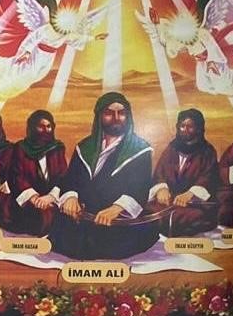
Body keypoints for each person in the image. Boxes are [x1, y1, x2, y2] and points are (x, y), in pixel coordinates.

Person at [49, 92, 155, 260]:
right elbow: (71, 179)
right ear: (99, 116)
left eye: (121, 113)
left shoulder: (140, 149)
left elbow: (139, 188)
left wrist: (116, 208)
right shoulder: (85, 146)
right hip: (83, 217)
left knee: (112, 243)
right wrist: (71, 197)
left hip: (117, 221)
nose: (116, 118)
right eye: (109, 113)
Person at [148, 107, 220, 236]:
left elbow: (208, 178)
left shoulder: (207, 151)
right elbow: (160, 173)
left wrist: (190, 194)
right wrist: (161, 189)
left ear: (198, 129)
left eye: (190, 126)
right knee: (148, 211)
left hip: (195, 204)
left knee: (179, 217)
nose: (185, 130)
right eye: (182, 126)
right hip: (170, 200)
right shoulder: (172, 148)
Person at [7, 109, 67, 235]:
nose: (45, 131)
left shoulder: (57, 148)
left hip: (51, 200)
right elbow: (17, 177)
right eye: (41, 127)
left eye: (48, 127)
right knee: (39, 221)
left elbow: (63, 175)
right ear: (32, 128)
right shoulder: (20, 148)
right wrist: (34, 198)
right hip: (27, 201)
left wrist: (51, 197)